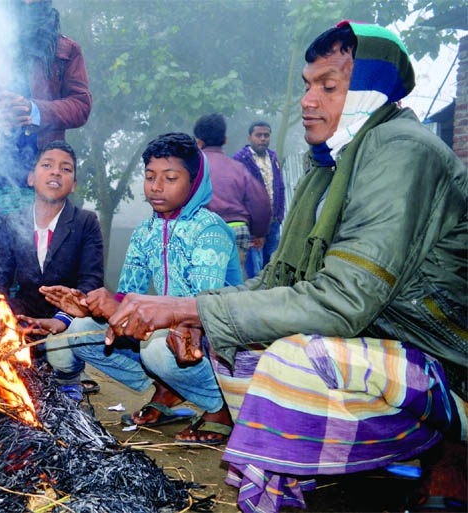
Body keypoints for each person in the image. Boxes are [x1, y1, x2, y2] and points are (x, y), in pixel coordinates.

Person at [103, 21, 467, 512]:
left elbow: (343, 302)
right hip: (377, 341)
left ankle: (436, 447)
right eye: (307, 85)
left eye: (328, 86)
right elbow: (276, 281)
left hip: (441, 357)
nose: (307, 101)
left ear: (368, 93)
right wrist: (194, 314)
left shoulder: (402, 149)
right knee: (231, 350)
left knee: (286, 361)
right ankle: (305, 479)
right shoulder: (329, 166)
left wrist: (185, 307)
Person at [41, 132, 242, 441]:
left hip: (211, 338)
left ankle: (221, 406)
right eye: (150, 177)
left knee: (158, 350)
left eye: (170, 177)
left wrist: (120, 310)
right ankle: (167, 391)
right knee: (77, 331)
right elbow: (125, 294)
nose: (156, 187)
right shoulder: (145, 230)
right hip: (166, 334)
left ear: (195, 181)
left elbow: (201, 308)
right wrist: (91, 306)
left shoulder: (209, 230)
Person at [0, 140, 104, 402]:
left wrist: (62, 319)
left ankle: (68, 378)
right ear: (31, 178)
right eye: (47, 165)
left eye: (66, 169)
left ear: (73, 185)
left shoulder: (86, 222)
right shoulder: (13, 221)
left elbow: (91, 281)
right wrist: (1, 313)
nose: (55, 172)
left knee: (63, 346)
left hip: (67, 315)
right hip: (25, 311)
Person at [0, 0, 92, 215]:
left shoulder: (67, 50)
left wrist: (34, 111)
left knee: (37, 244)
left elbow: (81, 105)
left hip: (40, 174)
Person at [194, 113, 270, 278]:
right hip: (238, 231)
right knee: (230, 284)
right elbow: (260, 202)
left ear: (198, 142)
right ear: (225, 140)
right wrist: (259, 233)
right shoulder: (238, 168)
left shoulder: (192, 168)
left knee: (205, 282)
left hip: (205, 230)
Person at [232, 121, 285, 278]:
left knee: (271, 262)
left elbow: (280, 187)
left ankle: (269, 296)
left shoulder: (273, 157)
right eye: (258, 135)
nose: (263, 139)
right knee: (255, 267)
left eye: (266, 135)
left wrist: (280, 215)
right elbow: (237, 193)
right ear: (250, 138)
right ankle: (256, 296)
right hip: (253, 225)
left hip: (273, 221)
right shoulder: (240, 159)